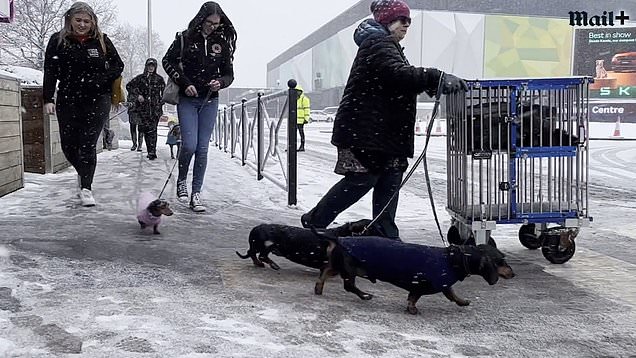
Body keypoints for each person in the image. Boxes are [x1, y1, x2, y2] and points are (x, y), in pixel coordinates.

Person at [300, 0, 467, 238]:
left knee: (390, 180)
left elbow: (396, 84)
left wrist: (432, 85)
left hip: (383, 134)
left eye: (409, 21)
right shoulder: (377, 44)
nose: (406, 26)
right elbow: (397, 75)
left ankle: (386, 235)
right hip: (366, 132)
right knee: (363, 179)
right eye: (402, 20)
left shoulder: (386, 46)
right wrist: (435, 77)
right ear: (387, 21)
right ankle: (316, 222)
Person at [43, 1, 124, 207]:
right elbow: (50, 71)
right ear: (69, 20)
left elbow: (118, 65)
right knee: (69, 146)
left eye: (86, 21)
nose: (82, 24)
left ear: (93, 22)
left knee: (88, 144)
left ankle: (86, 188)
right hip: (68, 98)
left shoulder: (101, 41)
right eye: (78, 20)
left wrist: (101, 79)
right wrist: (47, 98)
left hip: (97, 99)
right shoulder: (58, 41)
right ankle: (83, 172)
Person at [162, 1, 236, 212]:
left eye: (217, 23)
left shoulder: (222, 43)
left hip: (210, 100)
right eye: (210, 22)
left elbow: (229, 74)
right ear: (202, 19)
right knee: (189, 145)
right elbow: (167, 61)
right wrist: (185, 83)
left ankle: (197, 193)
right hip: (188, 99)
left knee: (203, 149)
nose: (213, 27)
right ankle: (182, 180)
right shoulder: (185, 38)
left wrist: (220, 82)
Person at [125, 58, 166, 160]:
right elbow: (129, 86)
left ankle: (152, 151)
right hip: (143, 110)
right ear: (146, 66)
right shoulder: (140, 78)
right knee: (146, 130)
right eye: (149, 65)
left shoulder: (159, 79)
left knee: (153, 130)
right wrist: (138, 95)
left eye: (153, 66)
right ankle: (149, 150)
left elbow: (165, 93)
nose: (151, 67)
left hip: (155, 110)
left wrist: (160, 102)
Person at [295, 84, 310, 152]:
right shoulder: (295, 99)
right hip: (294, 120)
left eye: (298, 91)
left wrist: (306, 119)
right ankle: (293, 146)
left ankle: (302, 146)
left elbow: (307, 109)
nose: (297, 93)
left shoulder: (304, 99)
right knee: (293, 134)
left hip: (301, 120)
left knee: (301, 133)